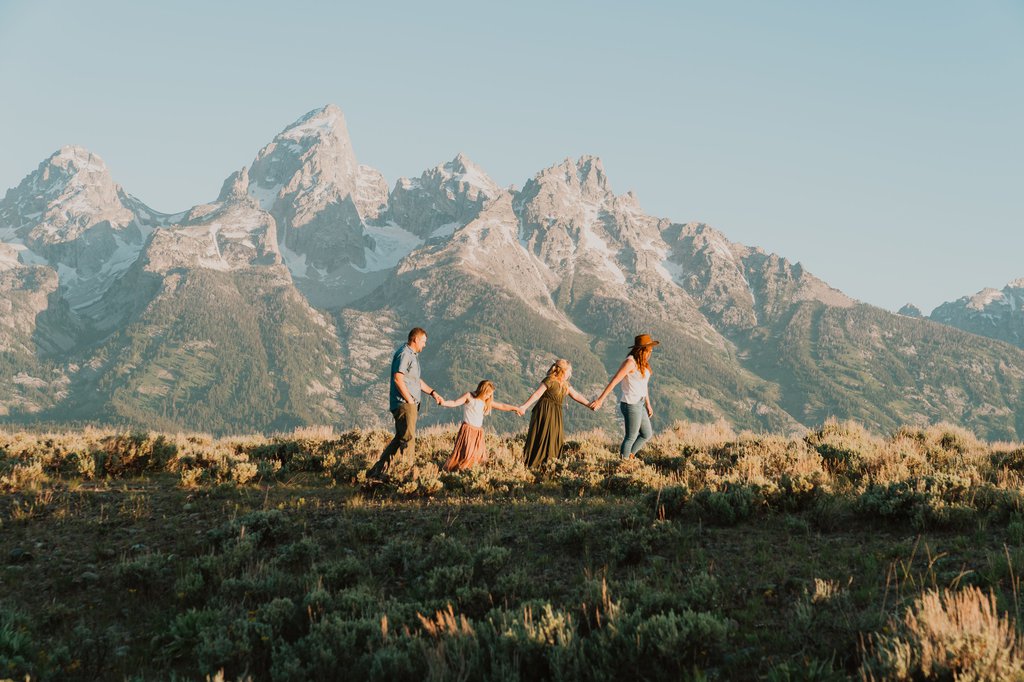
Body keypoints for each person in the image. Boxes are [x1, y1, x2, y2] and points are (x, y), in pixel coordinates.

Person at [367, 327, 444, 479]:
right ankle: (408, 476)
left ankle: (376, 472)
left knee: (400, 438)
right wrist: (409, 400)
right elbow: (398, 378)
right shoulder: (404, 354)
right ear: (415, 339)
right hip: (404, 404)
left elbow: (416, 382)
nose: (425, 345)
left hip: (407, 404)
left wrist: (433, 393)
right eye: (423, 341)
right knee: (408, 439)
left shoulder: (412, 356)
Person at [590, 334, 659, 459]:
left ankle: (629, 456)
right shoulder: (630, 362)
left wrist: (648, 404)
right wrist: (600, 400)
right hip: (631, 404)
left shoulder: (643, 364)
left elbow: (644, 385)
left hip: (640, 403)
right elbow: (615, 380)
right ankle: (623, 463)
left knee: (647, 433)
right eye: (649, 349)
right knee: (630, 437)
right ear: (642, 350)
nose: (651, 352)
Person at [519, 359, 592, 470]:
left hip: (556, 414)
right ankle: (535, 465)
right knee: (542, 435)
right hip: (544, 412)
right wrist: (524, 406)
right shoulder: (549, 380)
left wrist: (589, 404)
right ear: (563, 371)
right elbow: (537, 394)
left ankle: (550, 464)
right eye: (569, 371)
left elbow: (576, 396)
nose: (570, 374)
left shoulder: (565, 385)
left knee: (554, 437)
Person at [439, 380, 523, 471]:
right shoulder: (469, 396)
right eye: (487, 394)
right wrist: (444, 403)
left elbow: (502, 406)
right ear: (482, 390)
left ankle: (471, 472)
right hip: (468, 430)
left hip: (478, 432)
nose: (488, 396)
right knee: (467, 454)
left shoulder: (486, 401)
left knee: (478, 455)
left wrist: (515, 408)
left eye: (490, 395)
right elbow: (455, 403)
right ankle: (459, 471)